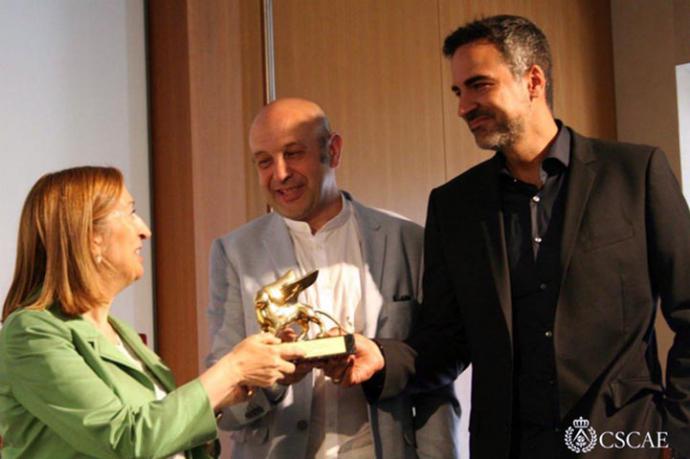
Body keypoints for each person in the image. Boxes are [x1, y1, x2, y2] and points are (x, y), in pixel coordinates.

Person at [328, 15, 690, 459]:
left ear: (533, 80)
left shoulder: (635, 174)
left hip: (626, 443)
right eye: (458, 92)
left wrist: (678, 434)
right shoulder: (454, 206)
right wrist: (382, 360)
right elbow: (447, 340)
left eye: (479, 85)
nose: (463, 107)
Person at [206, 97, 459, 458]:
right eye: (264, 161)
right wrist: (271, 377)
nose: (280, 174)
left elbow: (434, 377)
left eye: (293, 154)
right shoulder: (234, 253)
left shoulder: (409, 241)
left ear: (333, 150)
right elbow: (223, 403)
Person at [0, 166, 303, 459]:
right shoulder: (31, 333)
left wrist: (233, 389)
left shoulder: (121, 333)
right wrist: (232, 368)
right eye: (130, 212)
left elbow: (160, 433)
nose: (144, 230)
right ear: (92, 236)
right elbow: (126, 440)